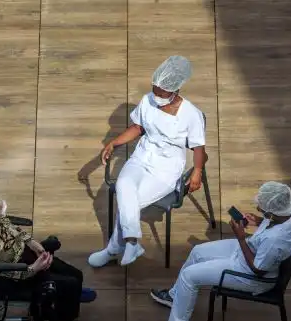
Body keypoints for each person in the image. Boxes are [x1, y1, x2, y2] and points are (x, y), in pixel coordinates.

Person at [147, 181, 291, 321]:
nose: (258, 209)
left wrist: (241, 237)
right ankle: (176, 296)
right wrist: (259, 221)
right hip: (254, 250)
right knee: (198, 252)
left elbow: (258, 270)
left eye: (262, 210)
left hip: (252, 275)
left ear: (272, 214)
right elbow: (275, 225)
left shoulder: (275, 240)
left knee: (189, 276)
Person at [88, 55, 208, 267]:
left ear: (175, 90)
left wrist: (197, 171)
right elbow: (138, 127)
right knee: (124, 186)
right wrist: (114, 143)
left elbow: (199, 148)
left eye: (161, 92)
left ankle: (115, 248)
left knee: (129, 202)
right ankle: (131, 244)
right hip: (141, 158)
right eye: (155, 89)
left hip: (166, 170)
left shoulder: (191, 114)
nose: (156, 96)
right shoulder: (148, 100)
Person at [0, 191, 97, 321]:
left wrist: (33, 243)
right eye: (0, 213)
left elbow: (15, 230)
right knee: (68, 284)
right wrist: (34, 269)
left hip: (26, 258)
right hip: (18, 275)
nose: (4, 215)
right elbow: (4, 272)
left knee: (76, 274)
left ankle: (72, 296)